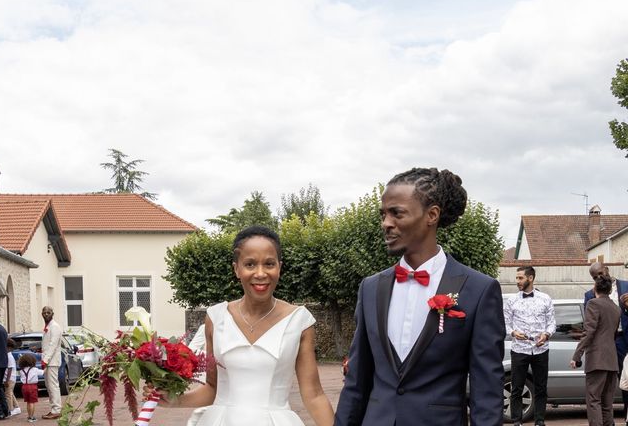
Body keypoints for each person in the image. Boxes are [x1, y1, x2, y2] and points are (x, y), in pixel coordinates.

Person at [335, 167, 506, 426]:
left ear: (432, 215)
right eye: (383, 214)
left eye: (397, 213)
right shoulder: (370, 288)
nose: (386, 223)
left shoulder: (479, 290)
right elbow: (357, 381)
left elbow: (487, 392)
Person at [149, 225, 334, 426]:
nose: (261, 273)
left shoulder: (299, 321)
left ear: (280, 267)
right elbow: (212, 388)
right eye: (250, 264)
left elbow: (314, 395)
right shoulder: (216, 317)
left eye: (269, 264)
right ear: (237, 268)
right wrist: (173, 401)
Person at [504, 266, 556, 426]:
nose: (517, 281)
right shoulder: (511, 300)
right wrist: (513, 333)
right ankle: (516, 421)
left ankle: (539, 421)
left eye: (520, 278)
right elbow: (505, 323)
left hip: (541, 349)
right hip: (519, 349)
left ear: (531, 278)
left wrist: (546, 335)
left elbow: (552, 323)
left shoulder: (546, 299)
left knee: (541, 387)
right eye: (517, 278)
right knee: (517, 387)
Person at [571, 274, 621, 425]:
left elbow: (589, 332)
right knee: (607, 403)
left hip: (597, 359)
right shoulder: (616, 308)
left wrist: (576, 355)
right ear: (610, 289)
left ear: (595, 288)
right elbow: (612, 334)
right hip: (612, 360)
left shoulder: (593, 303)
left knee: (594, 400)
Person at [585, 261, 628, 417]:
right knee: (605, 387)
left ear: (607, 269)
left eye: (601, 273)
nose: (599, 277)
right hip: (605, 343)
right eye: (595, 277)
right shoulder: (590, 295)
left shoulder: (627, 286)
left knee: (627, 380)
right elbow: (589, 325)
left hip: (625, 340)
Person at [40, 306, 62, 419]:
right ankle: (53, 408)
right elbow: (47, 344)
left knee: (53, 386)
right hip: (48, 361)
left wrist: (45, 360)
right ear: (41, 314)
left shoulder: (55, 326)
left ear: (52, 314)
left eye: (48, 312)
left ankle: (56, 410)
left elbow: (53, 345)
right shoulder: (48, 326)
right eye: (44, 312)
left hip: (52, 362)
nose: (46, 314)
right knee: (49, 386)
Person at [19, 353, 43, 423]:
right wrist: (46, 367)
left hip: (24, 386)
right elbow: (42, 372)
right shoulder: (34, 369)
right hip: (32, 386)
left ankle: (29, 415)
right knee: (32, 402)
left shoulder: (21, 370)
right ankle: (31, 417)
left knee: (28, 402)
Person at [3, 338, 21, 416]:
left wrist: (7, 380)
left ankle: (10, 410)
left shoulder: (9, 356)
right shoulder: (8, 355)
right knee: (10, 393)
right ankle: (17, 407)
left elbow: (9, 369)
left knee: (8, 395)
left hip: (9, 378)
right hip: (10, 378)